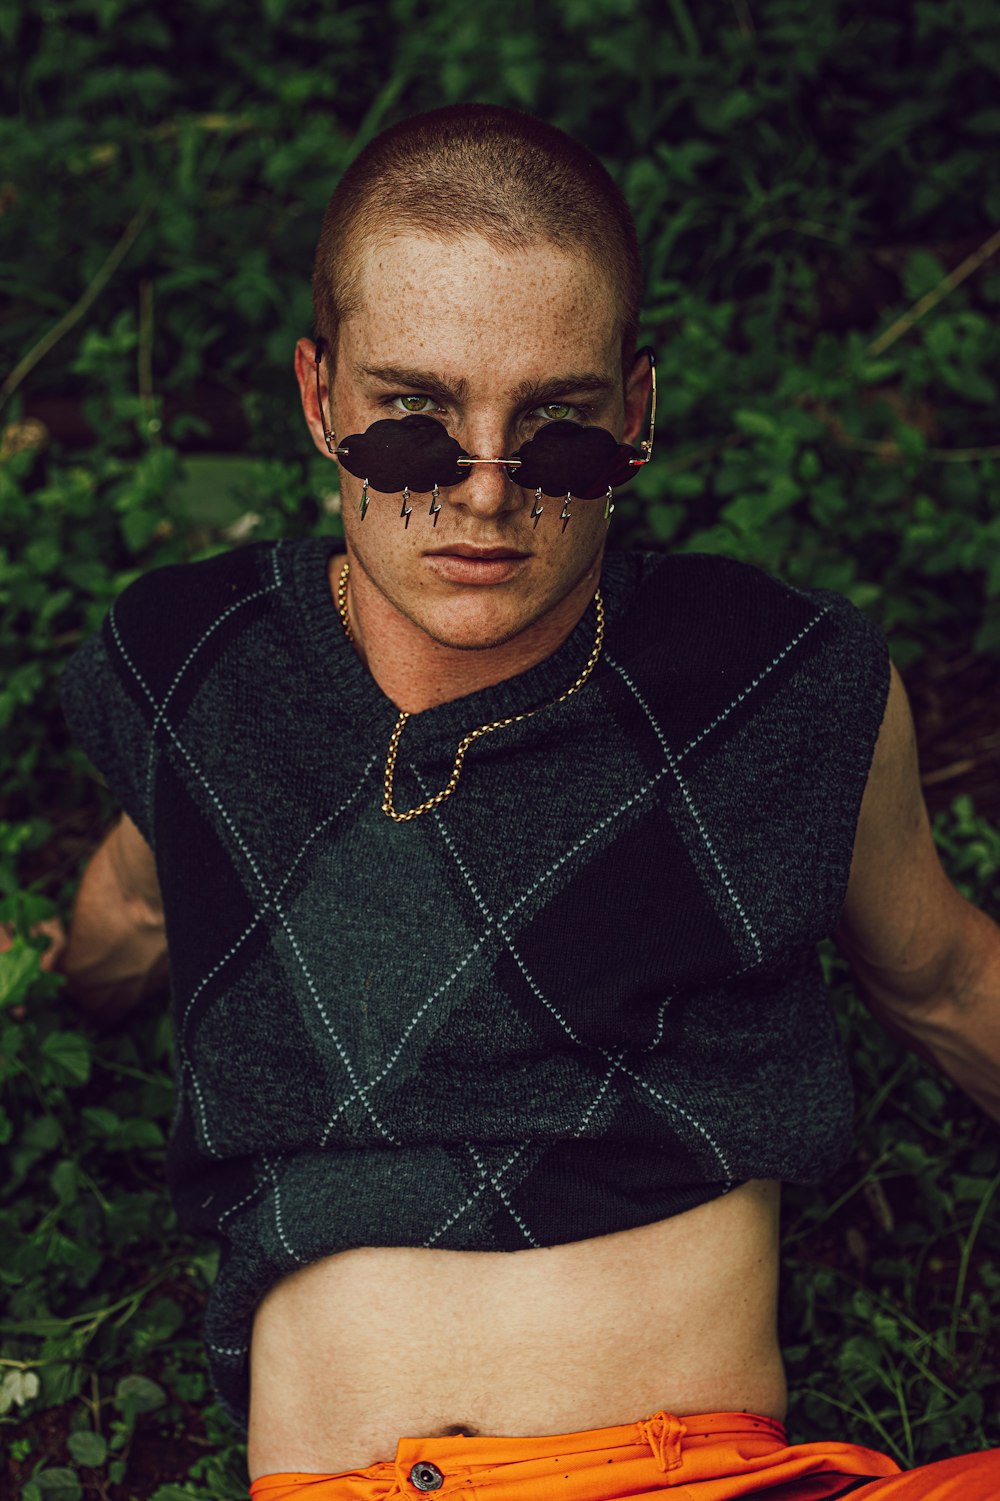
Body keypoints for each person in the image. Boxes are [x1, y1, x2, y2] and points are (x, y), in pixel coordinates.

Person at [48, 104, 1000, 1499]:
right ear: (321, 401)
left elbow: (944, 976)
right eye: (412, 429)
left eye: (555, 435)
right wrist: (69, 992)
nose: (485, 495)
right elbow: (137, 891)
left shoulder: (775, 685)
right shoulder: (199, 671)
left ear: (636, 419)